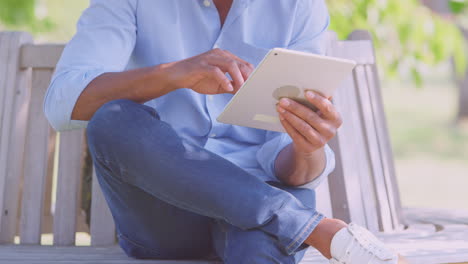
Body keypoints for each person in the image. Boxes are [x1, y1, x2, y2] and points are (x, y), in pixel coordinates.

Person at [44, 0, 402, 263]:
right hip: (164, 219)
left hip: (262, 204)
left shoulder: (298, 6)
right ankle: (315, 230)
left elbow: (295, 171)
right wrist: (172, 74)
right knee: (113, 120)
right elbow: (61, 104)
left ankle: (303, 226)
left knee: (259, 249)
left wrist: (308, 148)